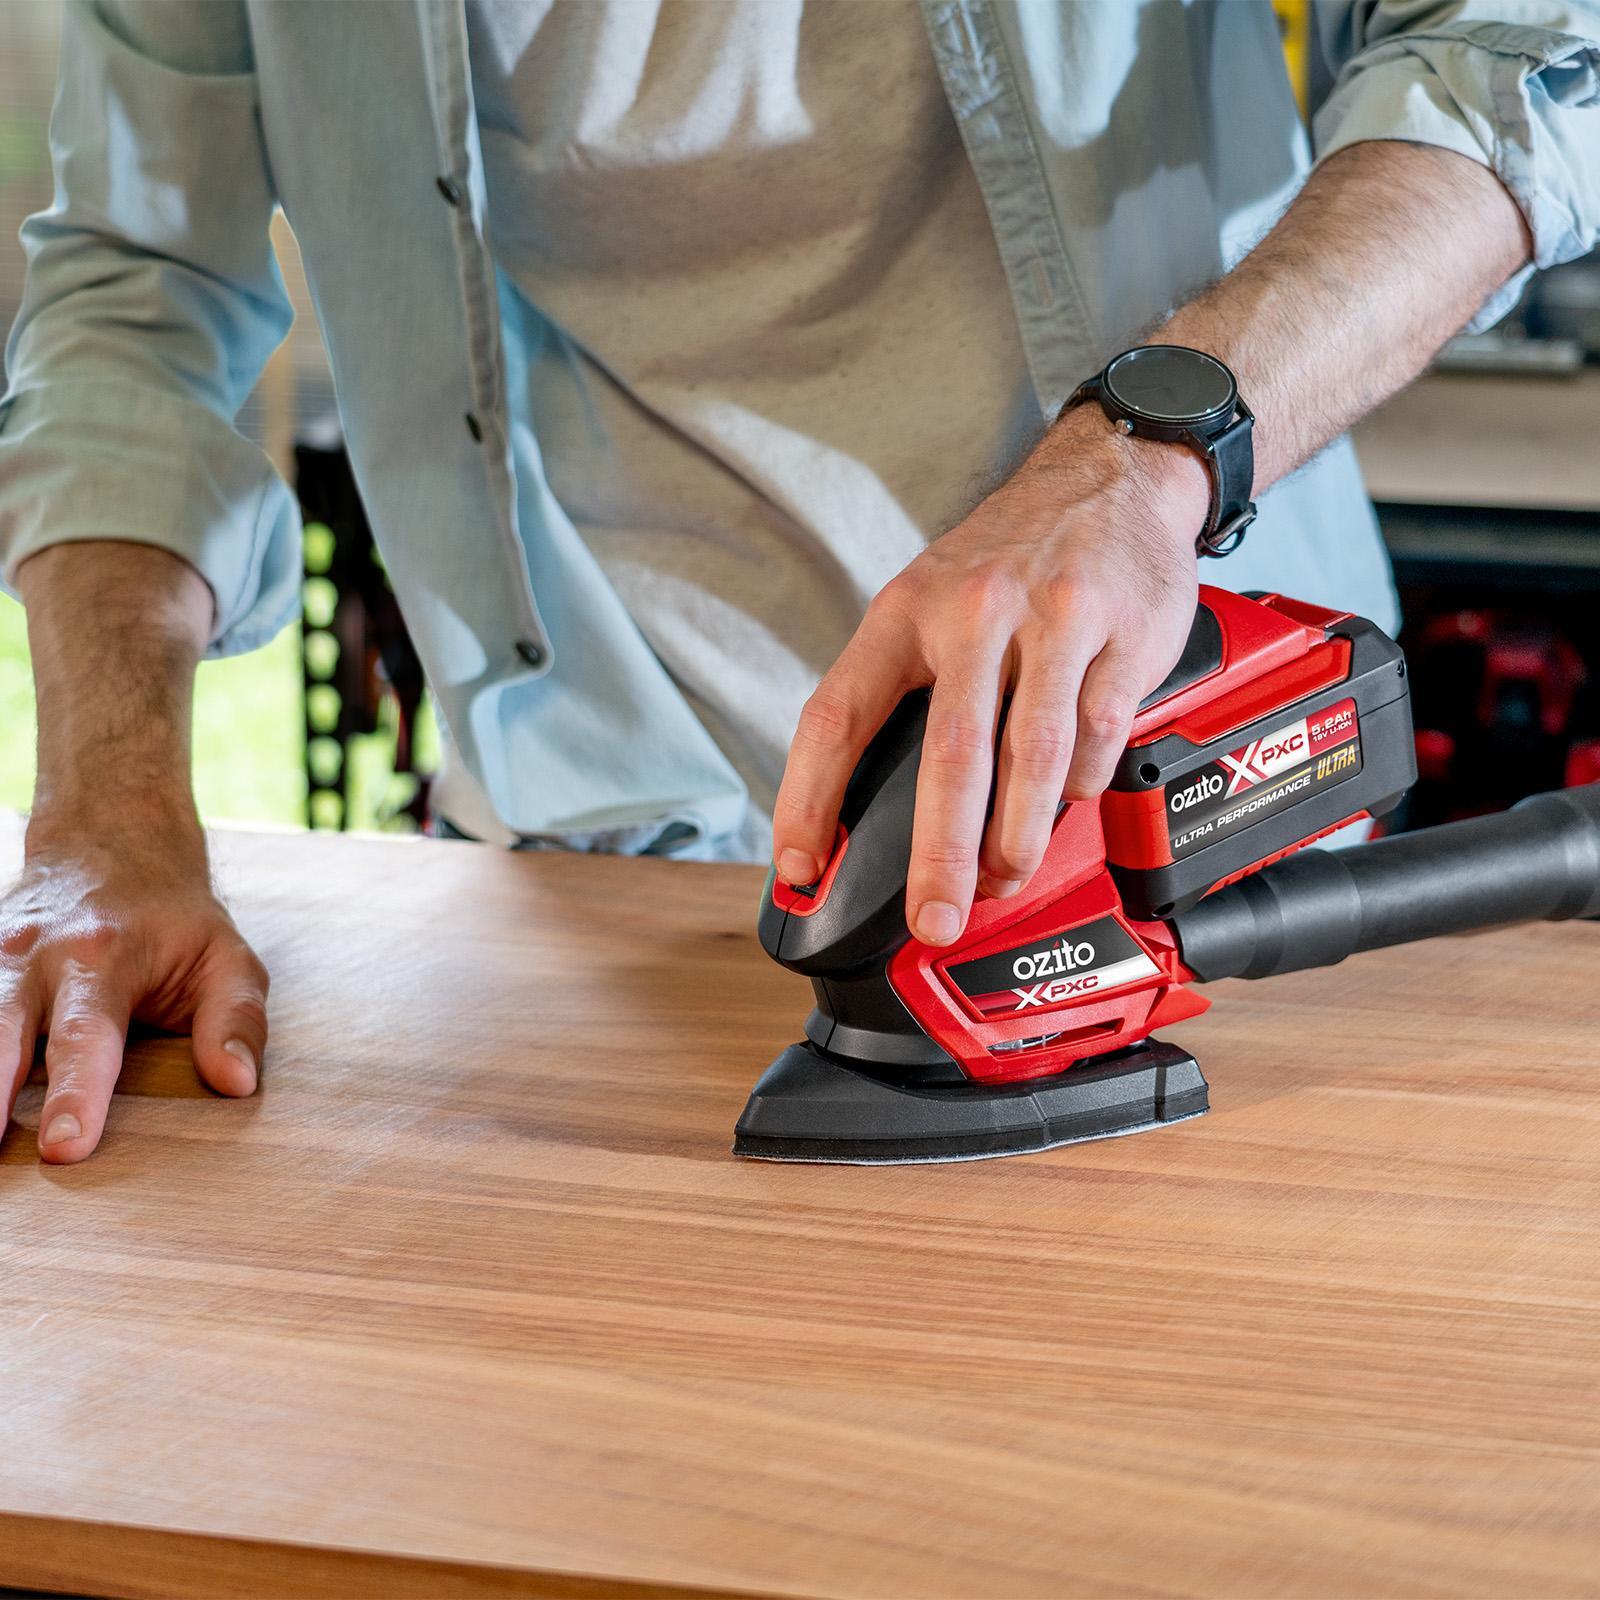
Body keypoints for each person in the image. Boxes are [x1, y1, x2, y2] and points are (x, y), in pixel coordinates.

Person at [2, 0, 1597, 1164]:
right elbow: (135, 300)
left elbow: (1519, 45)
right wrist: (107, 809)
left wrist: (1145, 454)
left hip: (1169, 812)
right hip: (584, 861)